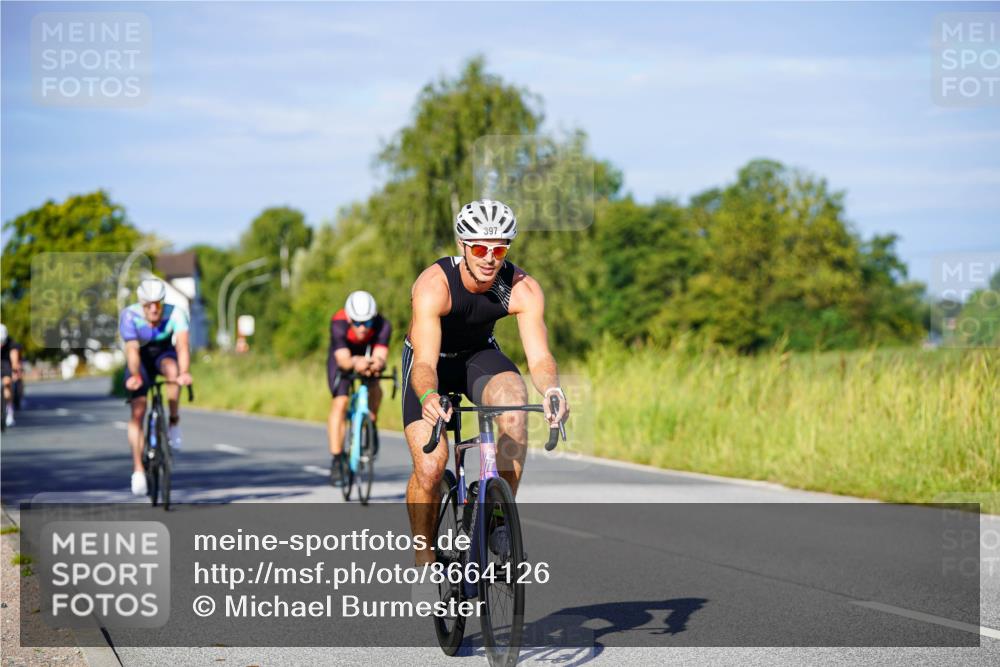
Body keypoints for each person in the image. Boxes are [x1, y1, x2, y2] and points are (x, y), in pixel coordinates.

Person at [402, 199, 568, 565]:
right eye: (479, 247)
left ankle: (496, 517)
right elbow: (425, 363)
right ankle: (424, 552)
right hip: (431, 365)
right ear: (463, 247)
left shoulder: (522, 288)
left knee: (514, 410)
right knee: (431, 467)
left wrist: (553, 389)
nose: (490, 257)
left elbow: (540, 358)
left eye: (499, 248)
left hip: (478, 356)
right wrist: (430, 395)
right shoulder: (434, 286)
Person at [119, 278, 192, 495]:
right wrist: (134, 376)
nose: (153, 309)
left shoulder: (176, 313)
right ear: (141, 304)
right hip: (139, 359)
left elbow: (182, 347)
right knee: (139, 409)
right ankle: (138, 470)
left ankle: (173, 420)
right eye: (148, 305)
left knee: (173, 371)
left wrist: (185, 372)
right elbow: (132, 350)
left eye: (157, 303)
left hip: (163, 354)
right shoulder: (130, 315)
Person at [326, 290, 392, 485]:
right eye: (357, 323)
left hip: (369, 356)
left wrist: (376, 364)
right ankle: (337, 460)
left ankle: (371, 422)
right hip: (344, 357)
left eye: (367, 322)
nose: (362, 328)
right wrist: (356, 362)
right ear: (349, 318)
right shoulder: (338, 322)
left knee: (376, 382)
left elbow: (380, 356)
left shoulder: (383, 325)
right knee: (341, 402)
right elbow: (343, 360)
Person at [1, 324, 23, 427]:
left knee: (7, 383)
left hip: (6, 363)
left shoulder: (11, 343)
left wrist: (15, 370)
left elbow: (14, 360)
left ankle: (9, 410)